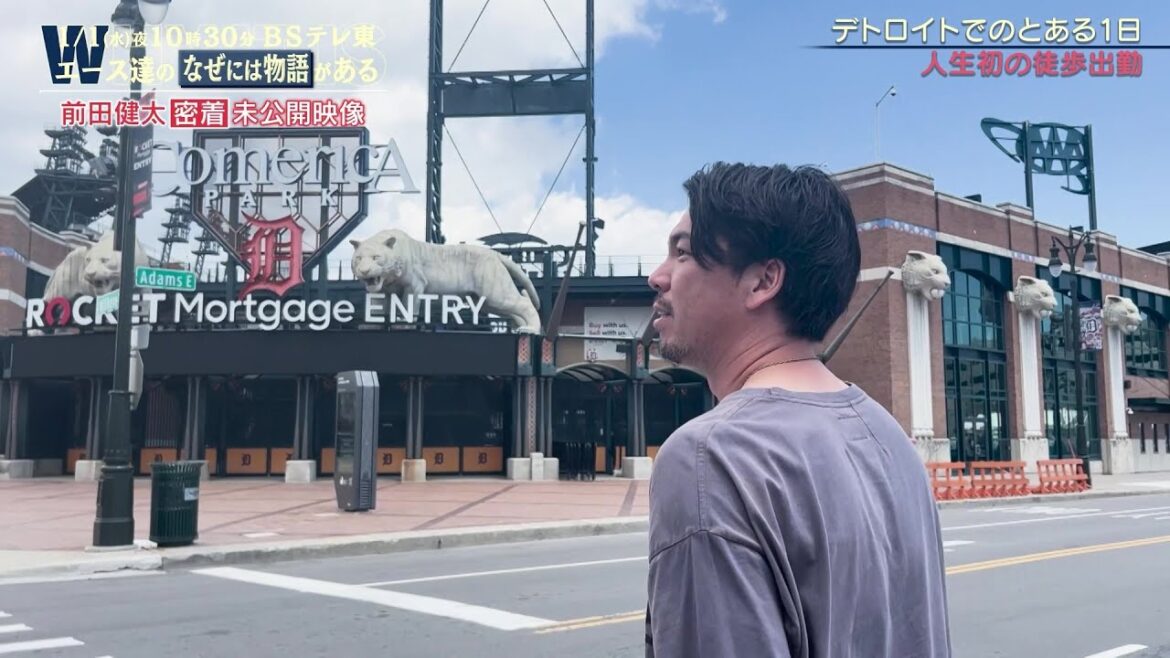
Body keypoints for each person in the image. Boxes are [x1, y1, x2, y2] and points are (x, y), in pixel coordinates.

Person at [643, 162, 951, 657]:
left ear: (763, 281)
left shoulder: (711, 457)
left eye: (682, 254)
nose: (657, 277)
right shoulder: (889, 436)